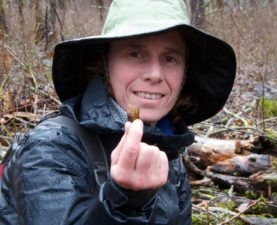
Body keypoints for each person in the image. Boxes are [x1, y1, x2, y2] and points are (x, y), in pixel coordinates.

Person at [0, 0, 236, 224]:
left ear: (184, 74)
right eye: (135, 54)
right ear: (105, 63)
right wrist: (125, 201)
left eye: (170, 58)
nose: (155, 73)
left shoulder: (168, 150)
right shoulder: (50, 149)